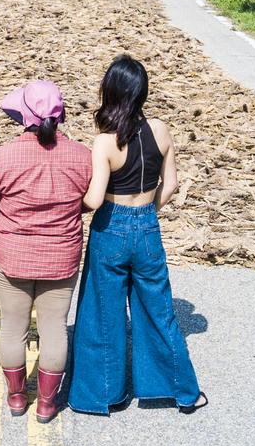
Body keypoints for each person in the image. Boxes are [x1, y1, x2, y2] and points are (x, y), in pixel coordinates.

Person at [70, 54, 207, 415]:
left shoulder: (104, 141)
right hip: (147, 225)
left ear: (110, 92)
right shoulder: (160, 129)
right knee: (159, 310)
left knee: (102, 313)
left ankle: (101, 395)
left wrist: (73, 203)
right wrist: (147, 213)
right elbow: (172, 183)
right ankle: (183, 392)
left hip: (110, 227)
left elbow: (96, 198)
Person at [0, 81, 91, 422]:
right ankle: (45, 402)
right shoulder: (82, 156)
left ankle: (15, 396)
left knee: (13, 327)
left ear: (22, 115)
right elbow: (89, 200)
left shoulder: (3, 156)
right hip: (62, 256)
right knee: (55, 328)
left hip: (14, 256)